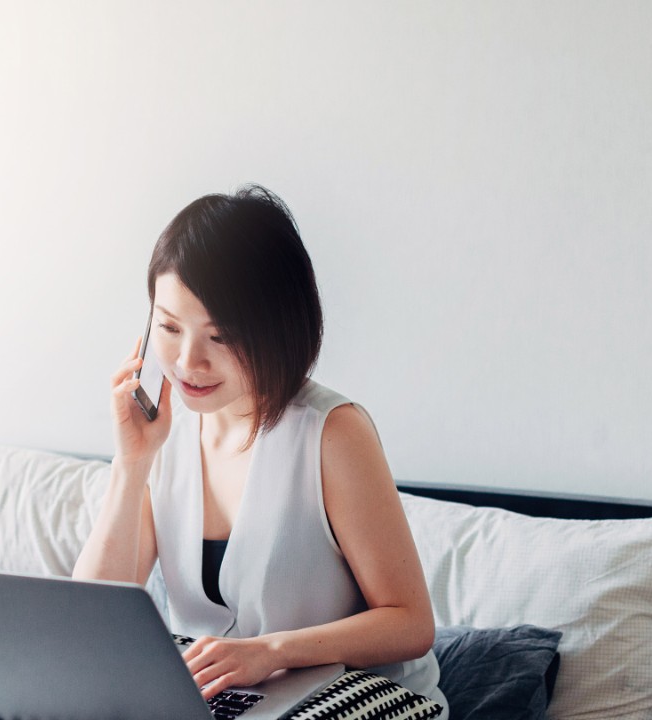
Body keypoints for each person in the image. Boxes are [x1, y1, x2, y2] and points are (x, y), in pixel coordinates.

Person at [73, 185, 444, 707]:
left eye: (220, 338)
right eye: (169, 328)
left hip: (358, 699)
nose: (187, 362)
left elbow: (410, 624)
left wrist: (271, 651)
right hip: (223, 701)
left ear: (278, 330)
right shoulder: (165, 432)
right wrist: (131, 463)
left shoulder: (332, 433)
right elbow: (90, 620)